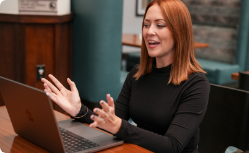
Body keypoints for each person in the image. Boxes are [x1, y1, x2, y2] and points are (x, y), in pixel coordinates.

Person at [41, 0, 210, 152]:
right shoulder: (137, 73)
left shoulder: (196, 84)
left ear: (179, 31)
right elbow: (112, 122)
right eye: (146, 24)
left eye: (160, 25)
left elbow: (172, 146)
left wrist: (120, 127)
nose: (149, 31)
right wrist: (79, 110)